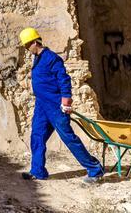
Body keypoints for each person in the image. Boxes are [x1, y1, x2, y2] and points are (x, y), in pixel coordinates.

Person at [19, 27, 104, 184]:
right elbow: (44, 76)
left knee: (68, 138)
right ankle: (38, 171)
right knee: (37, 137)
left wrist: (66, 101)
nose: (26, 48)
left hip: (55, 107)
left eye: (27, 45)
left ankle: (95, 170)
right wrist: (32, 75)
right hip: (42, 107)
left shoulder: (52, 58)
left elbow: (63, 79)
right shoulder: (37, 59)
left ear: (35, 42)